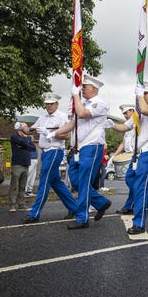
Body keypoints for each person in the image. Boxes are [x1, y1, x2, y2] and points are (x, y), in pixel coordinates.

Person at [44, 75, 112, 229]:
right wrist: (54, 133)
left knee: (84, 180)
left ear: (93, 89)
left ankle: (82, 218)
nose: (82, 89)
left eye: (84, 87)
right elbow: (72, 123)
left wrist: (75, 95)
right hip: (78, 148)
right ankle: (100, 202)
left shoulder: (99, 103)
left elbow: (82, 114)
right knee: (75, 181)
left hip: (92, 146)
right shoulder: (83, 103)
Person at [106, 82, 148, 235]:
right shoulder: (138, 114)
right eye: (142, 93)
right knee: (132, 182)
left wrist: (139, 95)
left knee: (139, 187)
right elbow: (126, 127)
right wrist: (112, 124)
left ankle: (139, 223)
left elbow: (146, 110)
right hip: (138, 155)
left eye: (145, 93)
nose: (142, 95)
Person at [24, 93, 77, 223]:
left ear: (57, 104)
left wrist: (50, 134)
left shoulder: (62, 117)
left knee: (44, 181)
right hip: (45, 153)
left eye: (51, 103)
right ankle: (74, 207)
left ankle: (34, 213)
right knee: (56, 182)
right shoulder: (42, 118)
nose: (48, 106)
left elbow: (66, 136)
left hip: (54, 151)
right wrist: (22, 126)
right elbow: (29, 130)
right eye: (47, 104)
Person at [108, 104, 137, 215]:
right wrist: (114, 155)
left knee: (131, 181)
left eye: (126, 113)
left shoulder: (139, 123)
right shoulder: (127, 127)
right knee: (132, 181)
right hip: (128, 156)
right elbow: (123, 144)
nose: (124, 115)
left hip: (137, 155)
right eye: (123, 113)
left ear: (132, 111)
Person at [9, 122, 35, 212]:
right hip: (17, 164)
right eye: (25, 126)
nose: (27, 128)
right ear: (20, 128)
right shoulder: (15, 136)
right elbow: (24, 143)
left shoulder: (26, 138)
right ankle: (12, 205)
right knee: (14, 185)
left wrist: (26, 142)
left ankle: (21, 204)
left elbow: (33, 148)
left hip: (26, 164)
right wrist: (27, 141)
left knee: (22, 186)